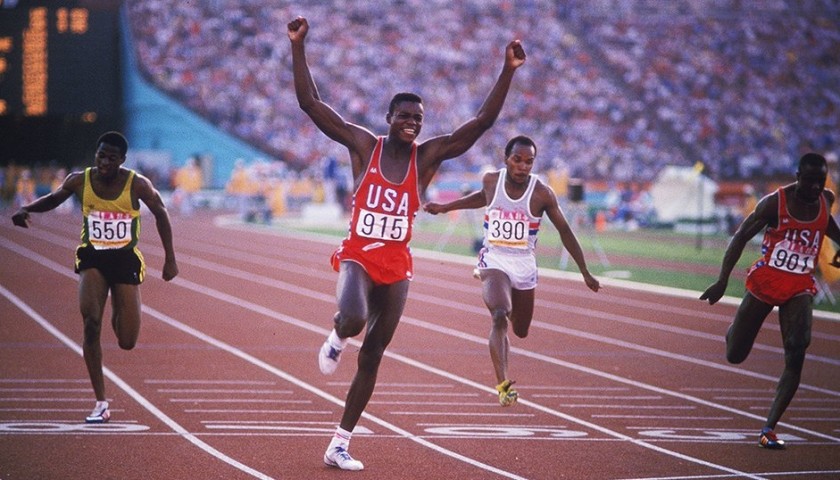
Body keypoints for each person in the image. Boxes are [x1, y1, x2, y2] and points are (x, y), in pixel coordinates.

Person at [288, 16, 526, 471]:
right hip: (359, 253)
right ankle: (338, 335)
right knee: (354, 317)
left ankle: (339, 442)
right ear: (388, 118)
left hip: (397, 264)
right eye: (404, 116)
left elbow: (479, 124)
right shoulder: (364, 146)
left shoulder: (428, 157)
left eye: (418, 118)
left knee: (374, 353)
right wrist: (299, 46)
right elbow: (311, 103)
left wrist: (508, 71)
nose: (412, 124)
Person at [11, 131, 179, 423]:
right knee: (90, 323)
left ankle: (118, 304)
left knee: (127, 340)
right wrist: (27, 209)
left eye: (111, 158)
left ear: (122, 160)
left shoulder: (137, 184)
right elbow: (54, 198)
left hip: (125, 259)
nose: (104, 162)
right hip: (93, 257)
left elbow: (161, 212)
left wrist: (170, 259)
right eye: (101, 155)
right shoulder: (80, 180)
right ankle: (101, 402)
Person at [424, 135, 601, 406]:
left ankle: (499, 298)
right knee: (498, 315)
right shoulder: (491, 181)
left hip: (524, 263)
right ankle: (504, 385)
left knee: (520, 330)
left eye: (529, 162)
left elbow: (565, 230)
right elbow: (482, 198)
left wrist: (584, 271)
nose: (522, 167)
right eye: (517, 160)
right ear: (506, 159)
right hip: (495, 258)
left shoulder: (542, 192)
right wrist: (446, 207)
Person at [700, 152, 840, 450]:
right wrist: (723, 281)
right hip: (767, 280)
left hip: (800, 284)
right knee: (735, 353)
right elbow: (739, 238)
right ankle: (735, 328)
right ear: (798, 176)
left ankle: (769, 427)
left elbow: (828, 225)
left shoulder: (825, 200)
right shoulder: (774, 203)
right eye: (810, 180)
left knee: (798, 347)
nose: (816, 187)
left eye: (820, 180)